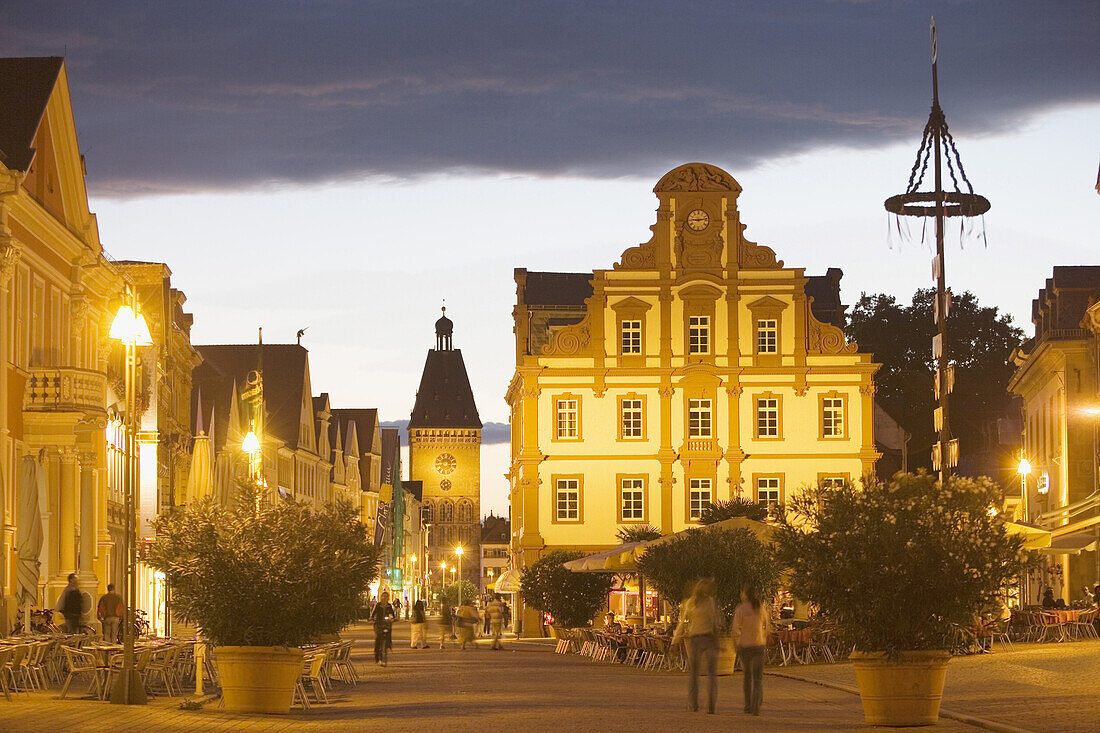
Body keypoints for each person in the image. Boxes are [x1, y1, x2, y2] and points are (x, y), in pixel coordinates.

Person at [672, 579, 720, 714]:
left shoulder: (693, 602)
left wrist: (675, 640)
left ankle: (699, 704)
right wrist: (675, 640)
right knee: (706, 674)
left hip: (698, 638)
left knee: (697, 674)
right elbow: (715, 621)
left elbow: (682, 623)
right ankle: (706, 704)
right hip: (703, 638)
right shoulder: (697, 602)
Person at [732, 585, 769, 716]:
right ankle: (756, 706)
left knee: (747, 677)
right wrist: (763, 637)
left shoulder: (740, 609)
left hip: (745, 646)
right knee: (758, 678)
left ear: (745, 594)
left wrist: (736, 641)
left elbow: (735, 628)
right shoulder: (760, 607)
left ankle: (748, 705)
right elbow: (767, 626)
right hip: (759, 645)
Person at [372, 591, 396, 665]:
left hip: (387, 624)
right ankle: (377, 656)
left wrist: (392, 618)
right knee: (378, 638)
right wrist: (372, 618)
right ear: (381, 597)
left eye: (386, 596)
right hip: (379, 624)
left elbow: (392, 614)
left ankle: (388, 645)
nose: (385, 598)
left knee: (388, 636)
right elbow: (373, 614)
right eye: (383, 596)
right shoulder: (378, 605)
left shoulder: (389, 606)